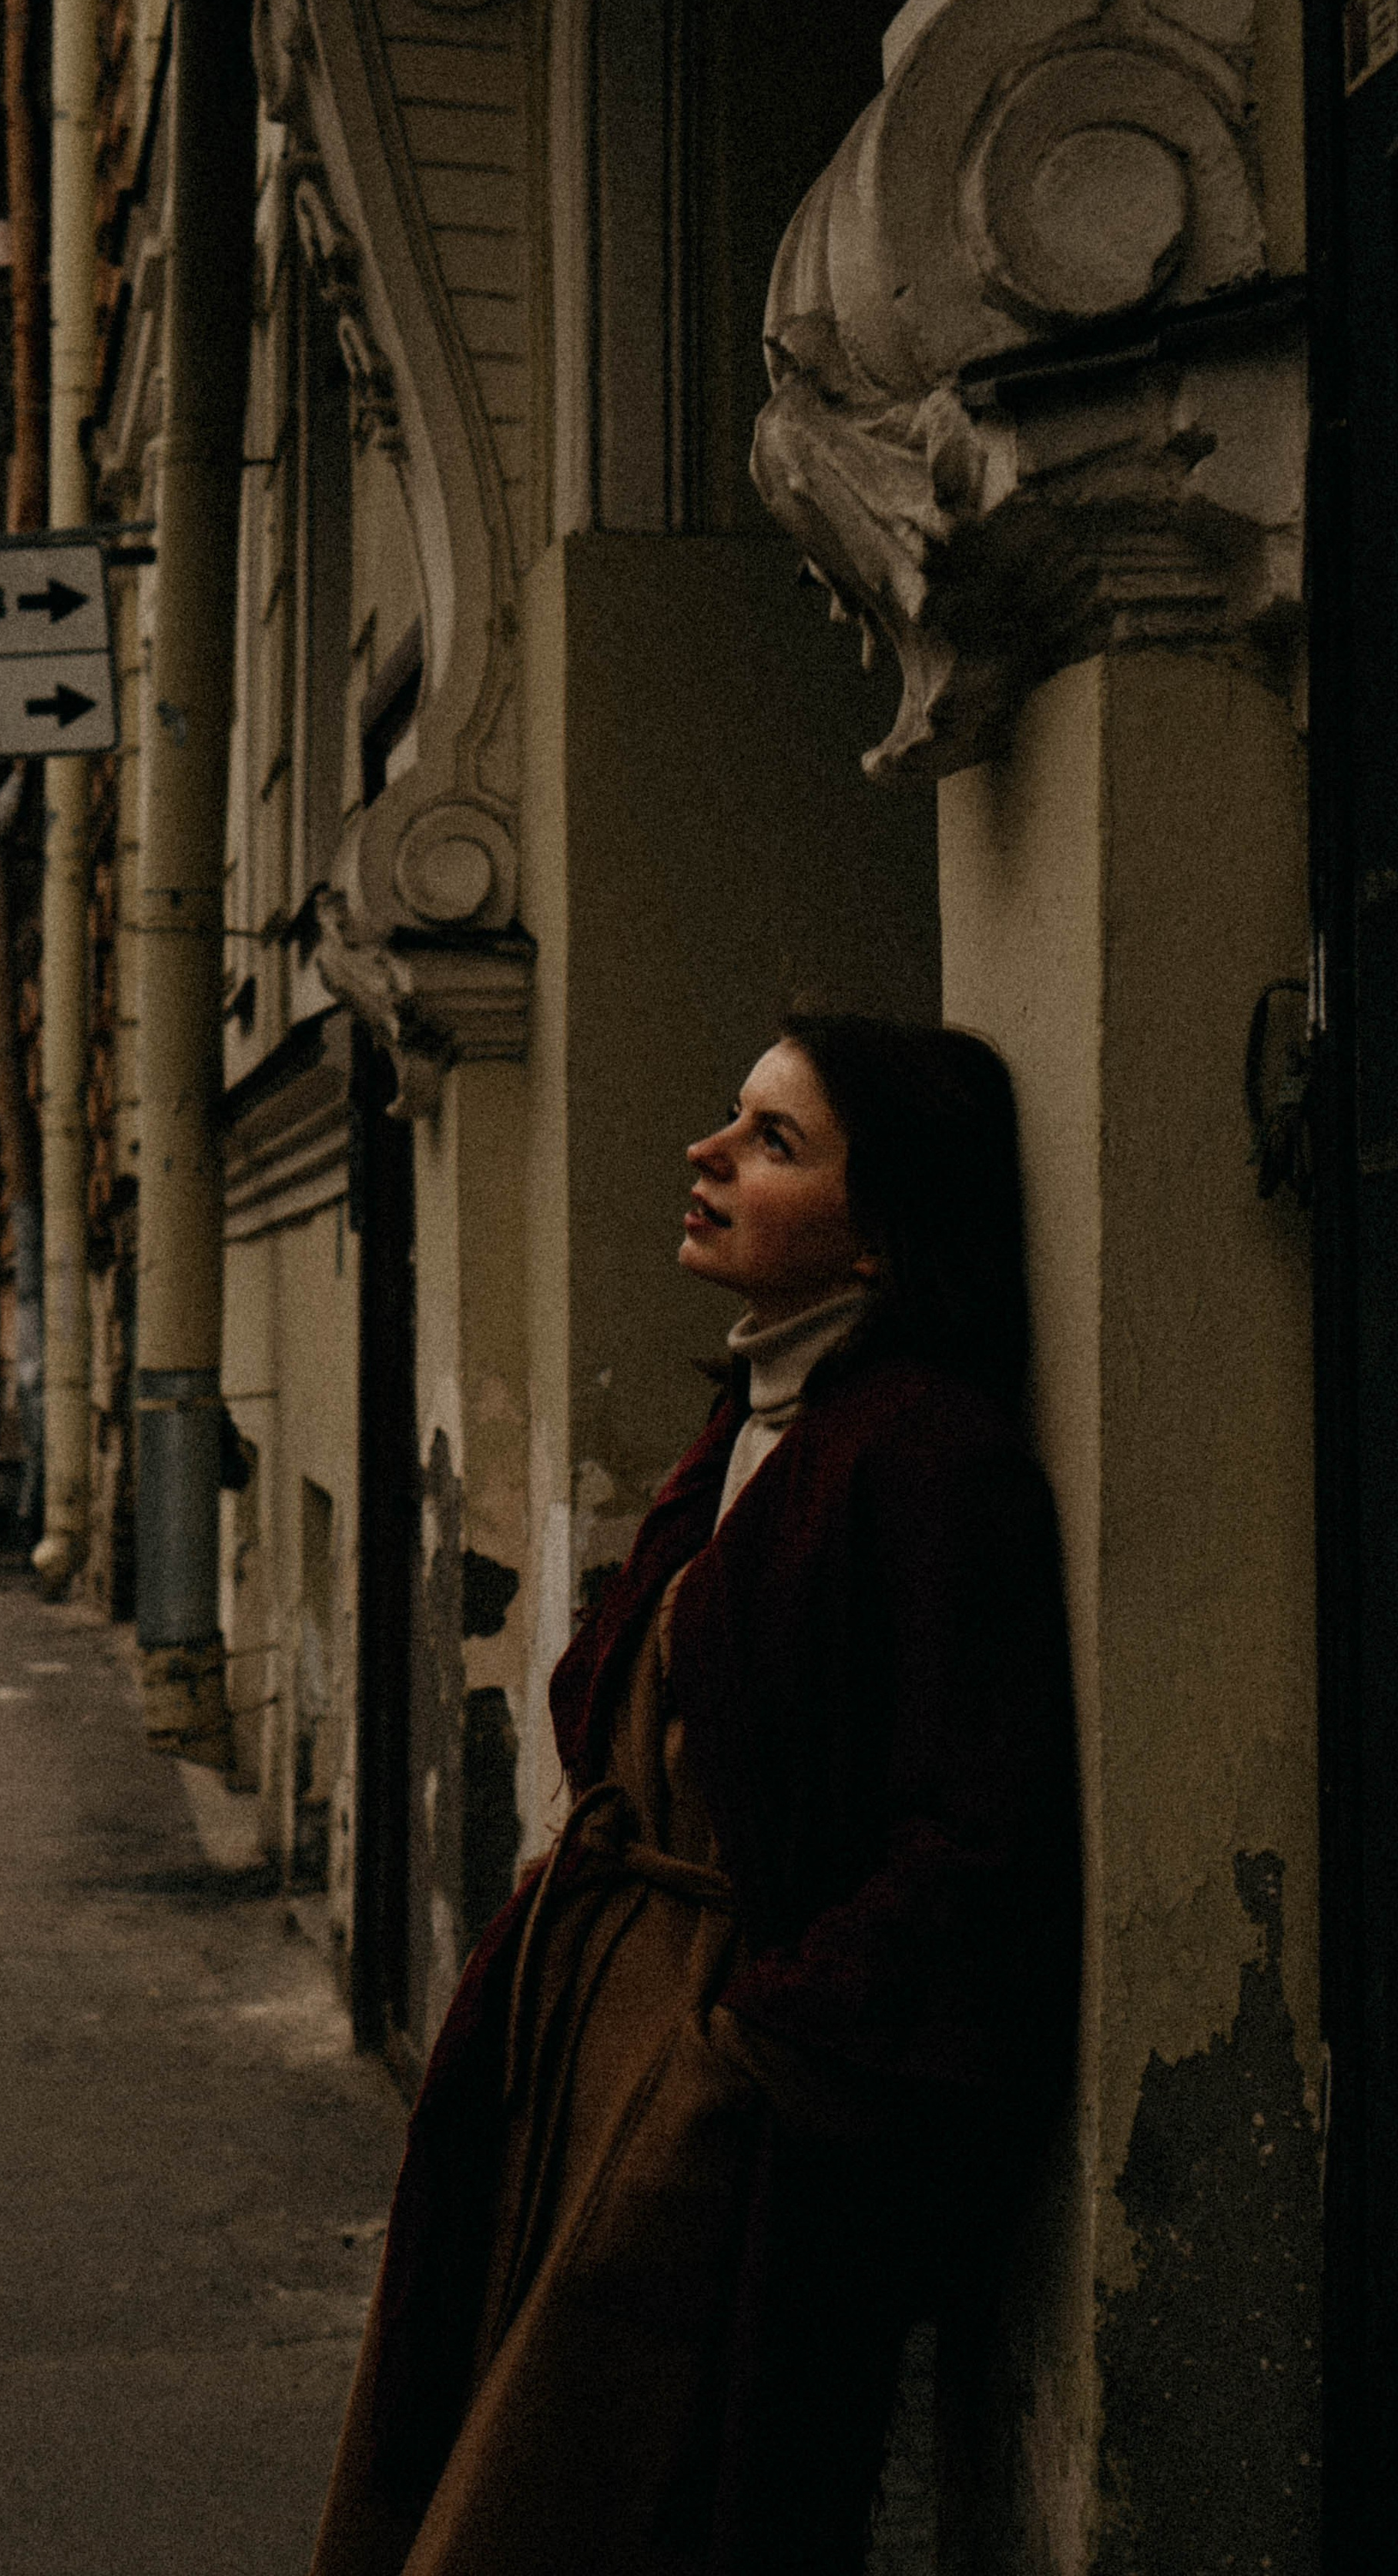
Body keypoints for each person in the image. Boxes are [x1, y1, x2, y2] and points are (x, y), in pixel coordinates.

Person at [309, 1017, 1080, 2576]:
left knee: (636, 2497)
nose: (705, 1153)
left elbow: (973, 1826)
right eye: (732, 1118)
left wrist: (751, 2057)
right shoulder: (759, 1418)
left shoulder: (925, 1452)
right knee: (531, 2466)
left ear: (881, 1240)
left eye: (773, 1141)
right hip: (606, 2036)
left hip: (720, 2081)